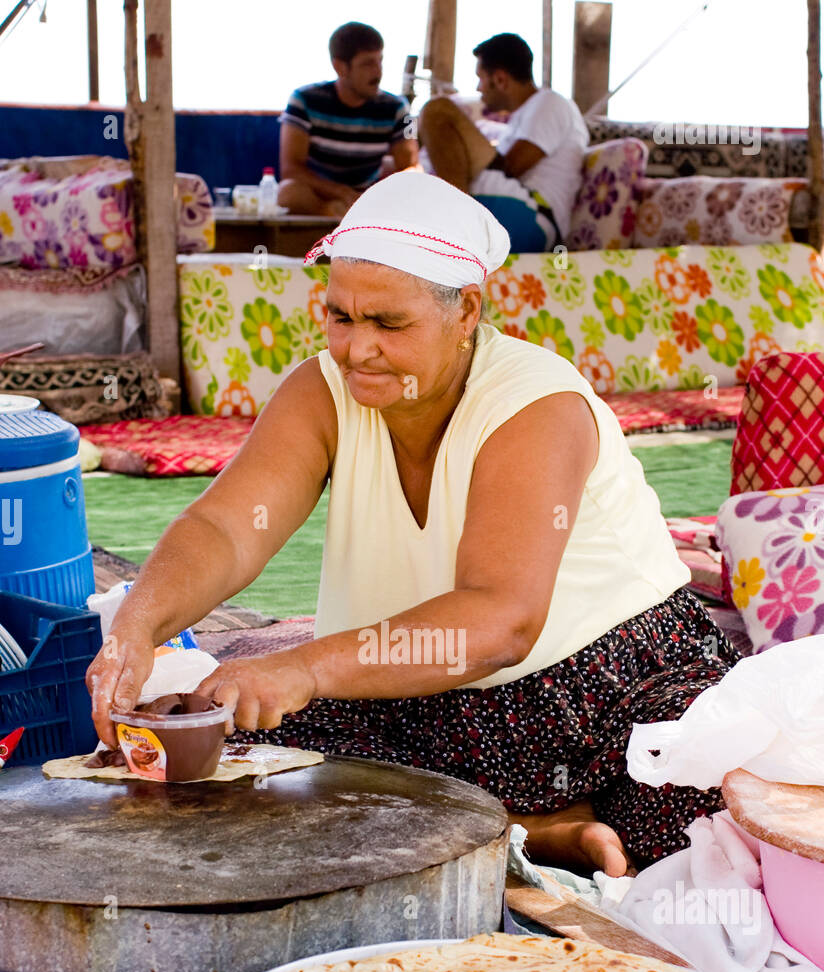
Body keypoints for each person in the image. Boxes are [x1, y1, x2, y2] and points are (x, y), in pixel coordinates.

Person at [86, 173, 739, 879]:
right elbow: (226, 526)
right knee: (222, 760)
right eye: (340, 317)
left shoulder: (535, 404)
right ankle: (536, 832)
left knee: (708, 807)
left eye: (388, 324)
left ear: (466, 313)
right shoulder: (324, 391)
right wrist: (137, 627)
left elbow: (502, 622)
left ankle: (524, 826)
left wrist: (304, 666)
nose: (356, 349)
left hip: (602, 685)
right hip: (420, 685)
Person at [418, 31, 588, 250]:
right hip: (513, 209)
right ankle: (454, 214)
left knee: (437, 110)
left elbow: (511, 168)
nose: (478, 89)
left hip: (532, 214)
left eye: (480, 78)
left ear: (499, 79)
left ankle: (455, 215)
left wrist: (464, 147)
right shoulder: (523, 116)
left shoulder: (550, 102)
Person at [278, 21, 417, 218]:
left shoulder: (399, 107)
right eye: (368, 64)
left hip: (371, 199)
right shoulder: (303, 100)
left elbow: (411, 165)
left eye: (380, 61)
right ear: (340, 67)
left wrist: (377, 196)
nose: (378, 72)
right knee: (288, 192)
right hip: (321, 196)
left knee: (416, 187)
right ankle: (334, 216)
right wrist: (341, 193)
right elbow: (291, 169)